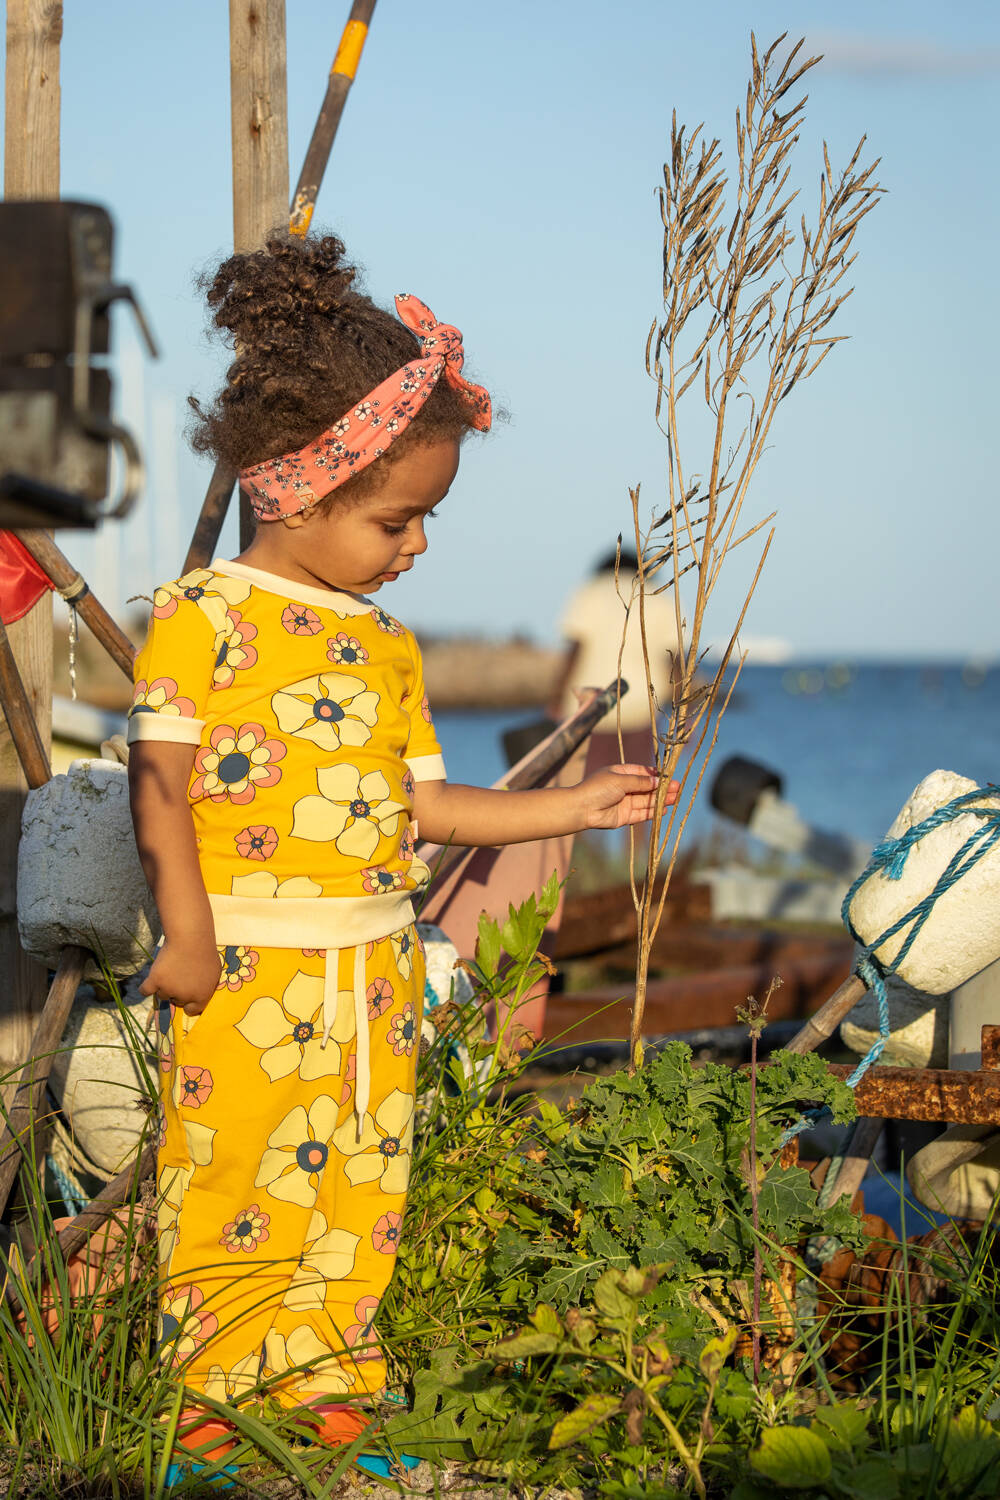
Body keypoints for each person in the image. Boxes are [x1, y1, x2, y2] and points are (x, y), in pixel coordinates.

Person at [127, 234, 678, 1471]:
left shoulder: (387, 647)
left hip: (375, 965)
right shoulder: (201, 618)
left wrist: (573, 814)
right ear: (297, 487)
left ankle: (329, 1390)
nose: (415, 548)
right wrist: (187, 929)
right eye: (397, 520)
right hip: (248, 963)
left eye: (423, 521)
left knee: (358, 1185)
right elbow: (156, 787)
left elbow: (427, 809)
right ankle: (211, 1407)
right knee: (229, 1180)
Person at [550, 547, 682, 778]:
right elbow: (674, 660)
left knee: (582, 785)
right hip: (643, 706)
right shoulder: (658, 596)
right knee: (636, 782)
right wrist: (683, 713)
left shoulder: (589, 593)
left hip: (589, 706)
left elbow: (575, 649)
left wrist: (556, 697)